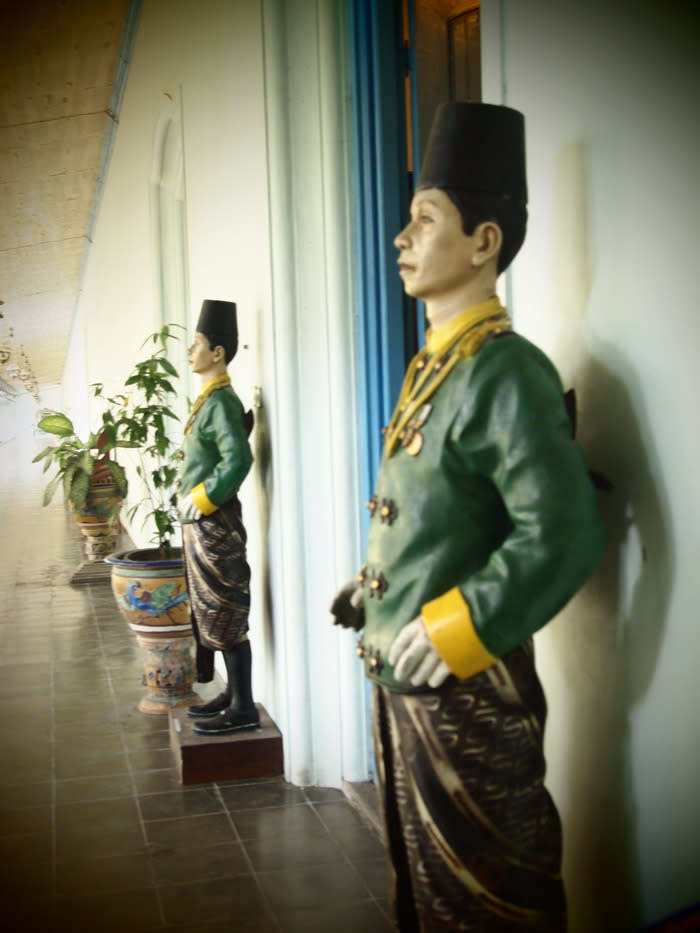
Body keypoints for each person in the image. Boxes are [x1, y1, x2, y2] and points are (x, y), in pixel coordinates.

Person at [331, 103, 605, 931]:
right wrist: (375, 587)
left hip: (467, 690)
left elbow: (561, 533)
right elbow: (444, 514)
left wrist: (458, 624)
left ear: (484, 241)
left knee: (486, 900)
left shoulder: (507, 372)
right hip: (407, 682)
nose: (401, 238)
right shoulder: (437, 363)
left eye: (425, 218)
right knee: (423, 884)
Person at [178, 299, 259, 735]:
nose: (190, 352)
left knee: (225, 607)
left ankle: (244, 708)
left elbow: (238, 459)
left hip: (215, 523)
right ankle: (234, 694)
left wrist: (206, 497)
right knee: (210, 610)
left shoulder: (222, 402)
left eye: (196, 344)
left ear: (218, 354)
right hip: (201, 524)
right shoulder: (208, 401)